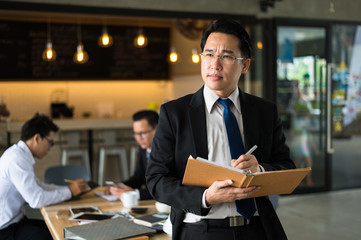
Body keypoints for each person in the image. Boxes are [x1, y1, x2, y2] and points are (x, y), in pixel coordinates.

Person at [146, 19, 296, 240]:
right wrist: (206, 196)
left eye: (226, 56)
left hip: (256, 228)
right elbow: (156, 179)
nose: (214, 64)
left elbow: (285, 166)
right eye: (208, 54)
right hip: (200, 230)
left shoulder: (264, 111)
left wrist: (261, 170)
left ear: (245, 65)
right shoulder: (174, 113)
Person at [0, 113, 87, 240]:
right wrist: (69, 191)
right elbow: (36, 200)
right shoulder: (17, 160)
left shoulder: (19, 154)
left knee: (62, 229)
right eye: (50, 142)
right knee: (56, 234)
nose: (50, 148)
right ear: (37, 138)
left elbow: (39, 186)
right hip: (6, 229)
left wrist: (69, 190)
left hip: (17, 221)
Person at [107, 110, 159, 200]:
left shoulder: (167, 153)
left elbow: (164, 190)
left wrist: (134, 194)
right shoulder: (144, 148)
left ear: (156, 129)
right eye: (136, 134)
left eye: (142, 133)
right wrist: (119, 187)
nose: (139, 138)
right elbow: (138, 177)